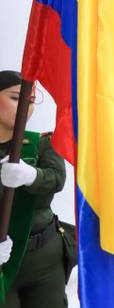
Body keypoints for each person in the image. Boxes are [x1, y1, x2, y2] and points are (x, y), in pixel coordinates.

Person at [0, 71, 69, 307]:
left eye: (30, 101)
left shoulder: (41, 144)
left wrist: (32, 175)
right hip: (3, 261)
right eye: (15, 98)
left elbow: (56, 179)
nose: (25, 107)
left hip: (43, 260)